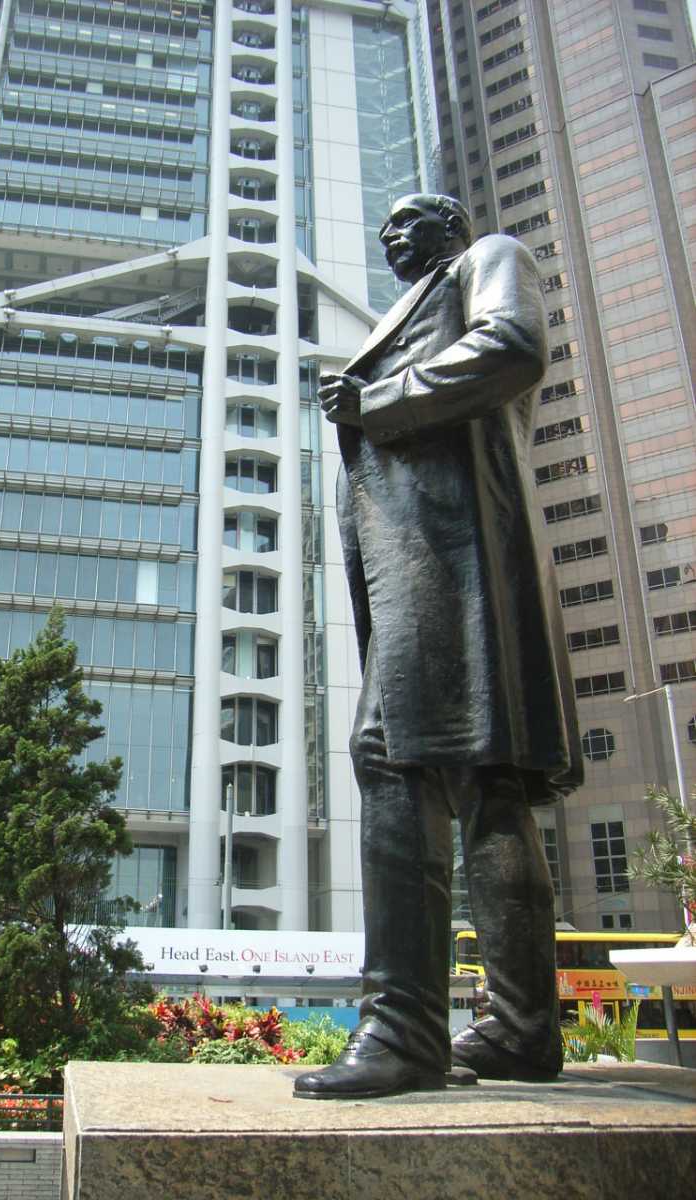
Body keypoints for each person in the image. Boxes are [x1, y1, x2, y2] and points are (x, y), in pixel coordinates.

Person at [294, 194, 582, 1100]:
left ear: (452, 227)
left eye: (409, 218)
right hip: (428, 562)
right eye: (379, 224)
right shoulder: (420, 295)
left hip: (454, 557)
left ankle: (405, 1028)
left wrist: (377, 400)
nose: (389, 233)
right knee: (483, 783)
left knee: (391, 756)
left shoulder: (487, 258)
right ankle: (523, 1029)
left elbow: (512, 347)